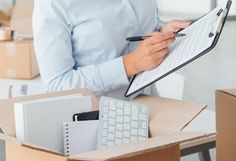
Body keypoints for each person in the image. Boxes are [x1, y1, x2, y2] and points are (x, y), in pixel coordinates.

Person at [33, 0, 190, 100]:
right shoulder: (52, 4)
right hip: (97, 121)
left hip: (149, 105)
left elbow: (137, 25)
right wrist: (130, 64)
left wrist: (161, 29)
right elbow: (57, 85)